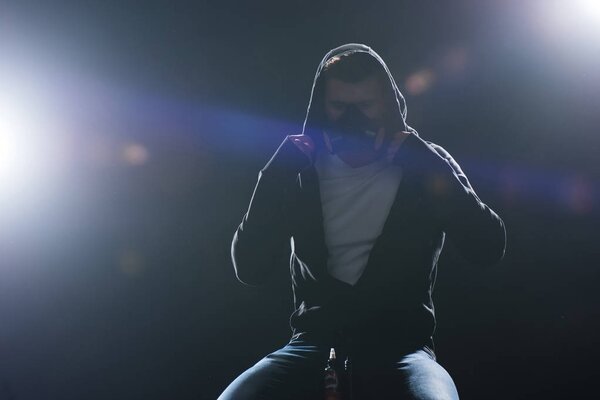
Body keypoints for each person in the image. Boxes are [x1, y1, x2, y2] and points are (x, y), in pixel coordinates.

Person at [219, 43, 506, 400]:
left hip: (404, 349)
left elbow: (487, 247)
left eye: (367, 106)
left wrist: (428, 166)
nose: (354, 120)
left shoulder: (427, 165)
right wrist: (274, 175)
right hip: (311, 344)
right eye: (339, 107)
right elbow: (249, 267)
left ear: (388, 106)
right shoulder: (297, 172)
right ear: (321, 108)